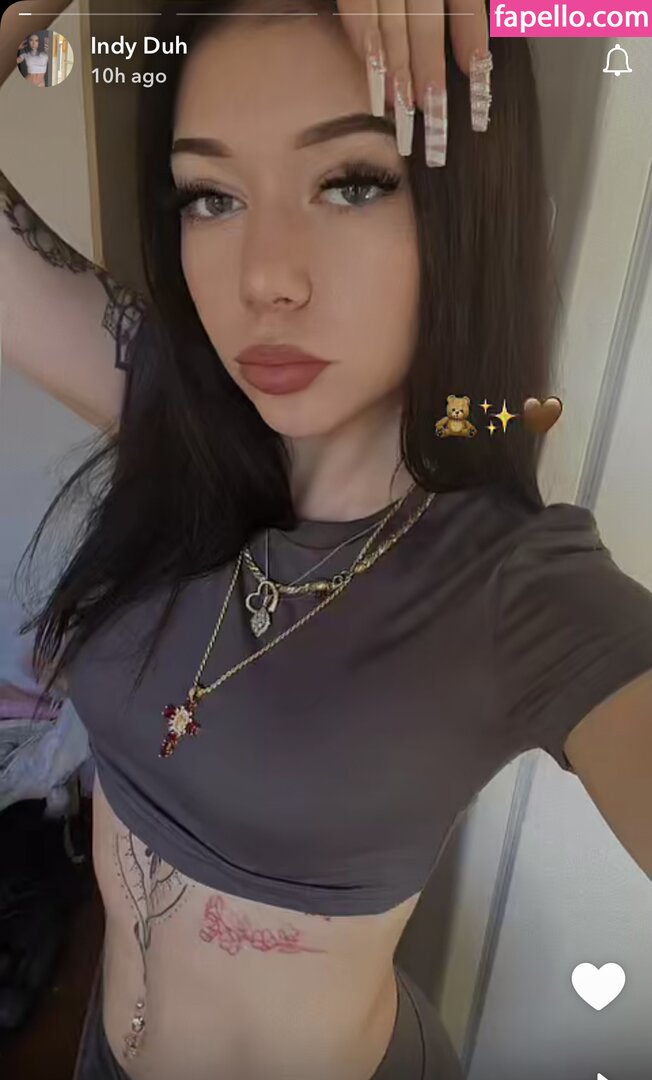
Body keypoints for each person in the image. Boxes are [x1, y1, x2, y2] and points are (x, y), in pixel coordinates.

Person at [1, 1, 652, 1078]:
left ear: (462, 204)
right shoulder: (171, 411)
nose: (265, 278)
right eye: (211, 196)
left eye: (352, 182)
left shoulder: (518, 587)